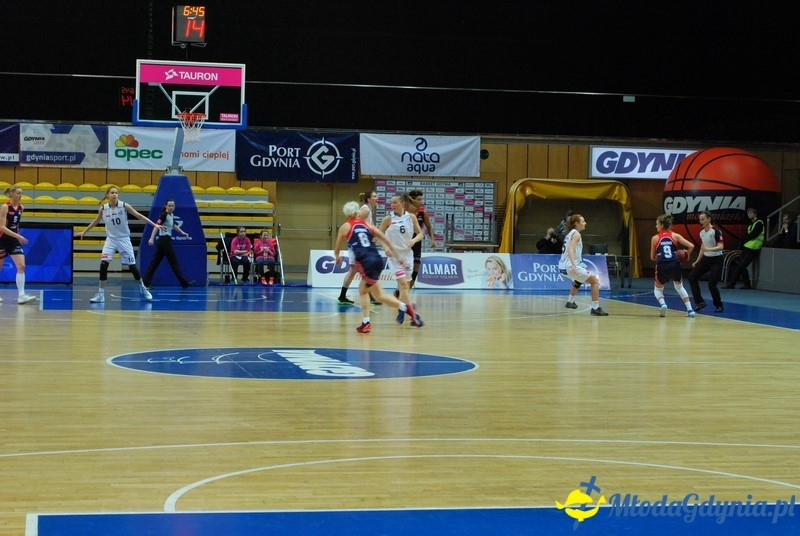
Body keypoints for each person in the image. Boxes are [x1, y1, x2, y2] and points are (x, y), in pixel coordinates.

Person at [334, 201, 423, 333]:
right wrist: (398, 257)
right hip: (378, 260)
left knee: (369, 292)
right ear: (358, 212)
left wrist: (337, 257)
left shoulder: (345, 227)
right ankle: (367, 322)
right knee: (373, 293)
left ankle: (405, 309)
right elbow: (385, 240)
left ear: (346, 213)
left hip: (366, 262)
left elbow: (337, 248)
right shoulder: (367, 225)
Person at [75, 185, 165, 303]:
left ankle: (143, 288)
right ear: (107, 195)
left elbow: (138, 215)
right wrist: (84, 231)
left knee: (132, 267)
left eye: (116, 193)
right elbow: (96, 221)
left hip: (124, 239)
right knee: (103, 265)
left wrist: (154, 224)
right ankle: (101, 294)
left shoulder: (124, 206)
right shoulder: (103, 208)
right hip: (111, 240)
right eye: (112, 193)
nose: (114, 195)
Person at [379, 193, 423, 324]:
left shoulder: (411, 217)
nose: (392, 205)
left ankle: (403, 309)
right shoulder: (388, 219)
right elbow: (379, 234)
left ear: (402, 204)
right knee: (403, 284)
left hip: (407, 255)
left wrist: (414, 240)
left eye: (395, 202)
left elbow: (420, 233)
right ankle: (406, 313)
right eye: (391, 203)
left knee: (405, 286)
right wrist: (385, 248)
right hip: (394, 256)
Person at [557, 213, 608, 316]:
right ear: (577, 223)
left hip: (562, 266)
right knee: (594, 281)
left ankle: (570, 302)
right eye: (583, 221)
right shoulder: (576, 234)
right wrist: (574, 265)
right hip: (569, 266)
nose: (585, 223)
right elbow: (571, 249)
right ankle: (595, 308)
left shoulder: (570, 233)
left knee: (579, 279)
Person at [650, 213, 696, 318]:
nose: (655, 226)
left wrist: (663, 257)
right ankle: (690, 310)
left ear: (661, 225)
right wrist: (686, 255)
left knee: (658, 289)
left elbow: (652, 257)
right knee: (679, 287)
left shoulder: (655, 238)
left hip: (662, 265)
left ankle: (663, 304)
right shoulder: (675, 235)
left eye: (656, 224)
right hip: (675, 264)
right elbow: (691, 246)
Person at [338, 190, 379, 304]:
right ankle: (345, 296)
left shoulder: (367, 209)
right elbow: (356, 224)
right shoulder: (365, 210)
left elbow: (368, 225)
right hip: (357, 245)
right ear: (368, 199)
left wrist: (373, 235)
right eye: (374, 196)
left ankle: (344, 296)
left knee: (360, 270)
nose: (377, 198)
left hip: (360, 244)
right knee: (357, 270)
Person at [142, 199, 193, 289]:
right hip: (164, 241)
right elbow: (156, 226)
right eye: (169, 206)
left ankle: (145, 283)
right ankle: (184, 283)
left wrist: (182, 232)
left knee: (155, 263)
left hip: (164, 241)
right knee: (174, 262)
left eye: (173, 206)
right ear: (166, 206)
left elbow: (173, 225)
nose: (171, 207)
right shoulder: (163, 215)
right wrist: (151, 238)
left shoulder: (171, 215)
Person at [0, 184, 37, 304]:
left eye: (21, 193)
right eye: (18, 193)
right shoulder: (5, 207)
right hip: (2, 239)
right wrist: (18, 236)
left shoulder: (21, 208)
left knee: (21, 266)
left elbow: (16, 224)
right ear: (11, 194)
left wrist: (16, 236)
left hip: (14, 240)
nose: (20, 195)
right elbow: (1, 227)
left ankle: (21, 295)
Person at [688, 210, 725, 313]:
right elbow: (702, 248)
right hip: (706, 258)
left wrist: (709, 249)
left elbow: (721, 247)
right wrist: (697, 260)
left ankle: (719, 305)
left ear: (709, 219)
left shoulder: (716, 231)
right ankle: (700, 302)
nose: (701, 221)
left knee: (712, 284)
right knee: (692, 277)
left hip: (717, 259)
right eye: (700, 219)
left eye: (703, 219)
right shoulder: (701, 233)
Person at [725, 207, 764, 289]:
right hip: (747, 247)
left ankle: (732, 284)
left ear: (755, 214)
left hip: (754, 248)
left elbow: (752, 235)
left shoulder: (759, 223)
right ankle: (746, 284)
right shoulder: (750, 225)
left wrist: (748, 238)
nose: (749, 214)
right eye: (748, 213)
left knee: (741, 265)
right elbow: (746, 236)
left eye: (751, 213)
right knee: (740, 265)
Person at [407, 189, 438, 289]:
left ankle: (407, 291)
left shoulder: (423, 212)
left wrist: (432, 239)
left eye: (421, 199)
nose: (421, 201)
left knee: (416, 266)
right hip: (405, 241)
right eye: (419, 199)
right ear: (412, 200)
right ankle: (402, 289)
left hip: (417, 241)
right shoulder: (404, 212)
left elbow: (429, 227)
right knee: (405, 267)